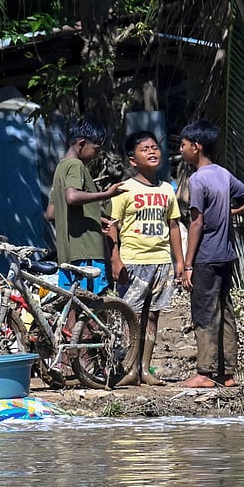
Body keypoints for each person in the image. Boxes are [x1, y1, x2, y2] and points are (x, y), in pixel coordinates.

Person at [177, 120, 244, 388]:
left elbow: (196, 223)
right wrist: (233, 212)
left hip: (205, 256)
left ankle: (205, 372)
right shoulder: (223, 174)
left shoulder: (198, 179)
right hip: (227, 255)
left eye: (184, 145)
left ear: (197, 147)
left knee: (204, 311)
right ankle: (228, 374)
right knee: (225, 311)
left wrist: (187, 264)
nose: (181, 150)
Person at [106, 130, 184, 385]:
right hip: (133, 261)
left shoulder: (167, 190)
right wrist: (116, 258)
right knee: (132, 315)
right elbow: (112, 226)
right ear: (132, 160)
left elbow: (173, 226)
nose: (152, 152)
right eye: (145, 149)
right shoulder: (124, 189)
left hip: (161, 261)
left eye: (154, 147)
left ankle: (145, 370)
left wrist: (180, 262)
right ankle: (129, 369)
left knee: (153, 315)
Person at [45, 117, 126, 292]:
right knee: (91, 306)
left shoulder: (61, 167)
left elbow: (51, 213)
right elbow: (72, 197)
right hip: (86, 253)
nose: (96, 155)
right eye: (96, 150)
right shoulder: (75, 165)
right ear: (81, 144)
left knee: (72, 306)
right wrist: (106, 193)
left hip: (67, 254)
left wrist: (94, 218)